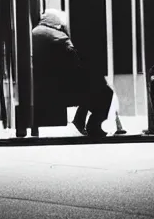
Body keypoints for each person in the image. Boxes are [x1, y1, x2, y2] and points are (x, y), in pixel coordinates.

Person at [32, 9, 118, 138]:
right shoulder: (59, 36)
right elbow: (74, 61)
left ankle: (79, 121)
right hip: (61, 89)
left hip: (42, 87)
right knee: (105, 91)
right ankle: (93, 126)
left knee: (91, 88)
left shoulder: (34, 32)